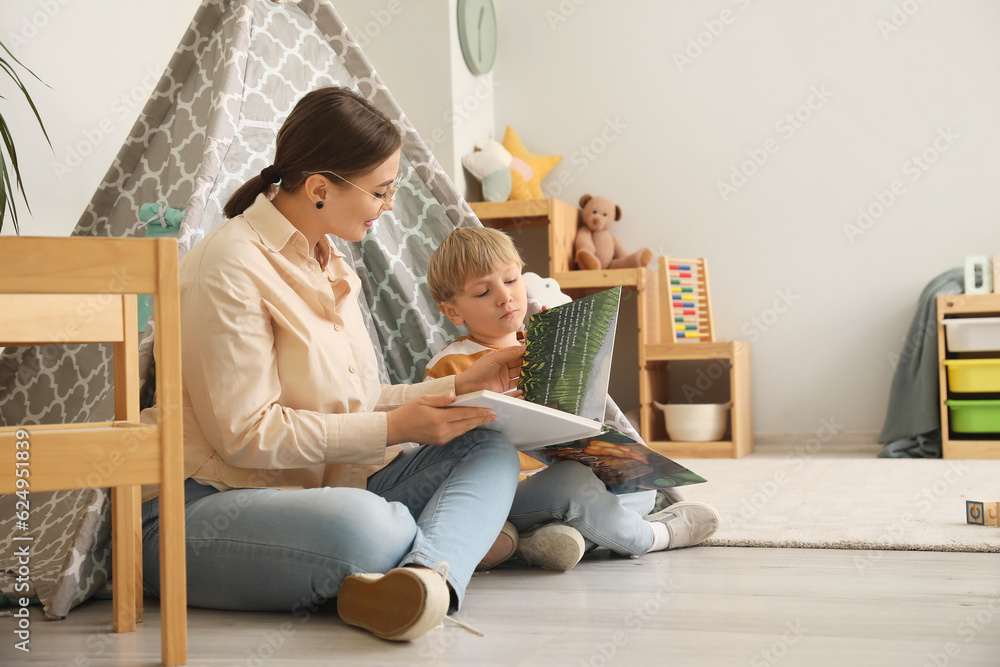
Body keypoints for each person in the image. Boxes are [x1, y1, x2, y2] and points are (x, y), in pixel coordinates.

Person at [138, 87, 526, 642]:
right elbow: (245, 438)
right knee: (367, 528)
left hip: (320, 489)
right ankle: (432, 550)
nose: (388, 205)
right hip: (205, 507)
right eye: (381, 191)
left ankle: (423, 579)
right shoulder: (230, 267)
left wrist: (463, 383)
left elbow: (356, 400)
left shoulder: (332, 263)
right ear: (320, 188)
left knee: (488, 445)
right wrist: (395, 427)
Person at [424, 226, 720, 571]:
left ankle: (541, 539)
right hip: (505, 491)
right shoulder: (450, 367)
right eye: (482, 292)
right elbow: (437, 447)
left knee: (636, 482)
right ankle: (653, 537)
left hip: (560, 475)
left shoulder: (542, 342)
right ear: (453, 312)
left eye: (510, 280)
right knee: (575, 485)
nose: (504, 297)